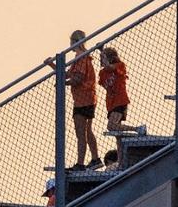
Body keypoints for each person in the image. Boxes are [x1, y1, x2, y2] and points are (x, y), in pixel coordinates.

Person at [47, 31, 100, 169]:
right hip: (87, 98)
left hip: (83, 100)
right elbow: (67, 75)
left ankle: (80, 163)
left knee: (81, 133)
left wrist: (64, 84)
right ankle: (95, 158)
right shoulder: (83, 57)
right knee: (87, 131)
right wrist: (52, 65)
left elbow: (78, 78)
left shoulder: (81, 58)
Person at [97, 45, 144, 136]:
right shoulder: (102, 73)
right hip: (111, 103)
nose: (102, 59)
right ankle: (121, 148)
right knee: (117, 130)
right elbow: (104, 85)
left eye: (104, 57)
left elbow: (110, 68)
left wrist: (101, 50)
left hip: (120, 100)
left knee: (111, 126)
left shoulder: (120, 65)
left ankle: (137, 129)